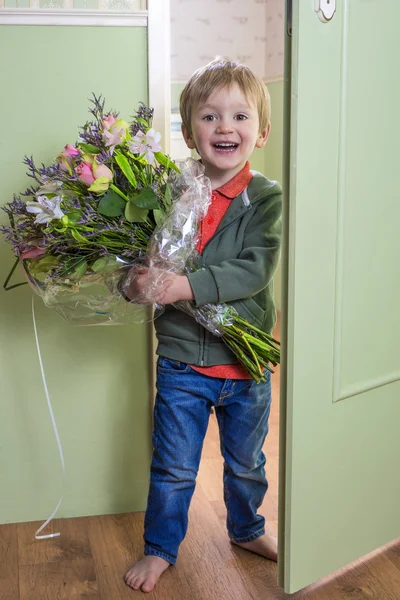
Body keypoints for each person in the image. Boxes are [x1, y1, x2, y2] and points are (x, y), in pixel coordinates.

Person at [123, 56, 282, 593]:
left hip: (245, 363)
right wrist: (138, 283)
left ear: (260, 131)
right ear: (190, 130)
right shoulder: (167, 193)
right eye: (210, 116)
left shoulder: (265, 197)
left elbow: (254, 268)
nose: (224, 127)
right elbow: (141, 259)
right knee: (173, 468)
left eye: (239, 116)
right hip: (182, 362)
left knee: (246, 463)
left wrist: (184, 286)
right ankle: (160, 548)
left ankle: (246, 527)